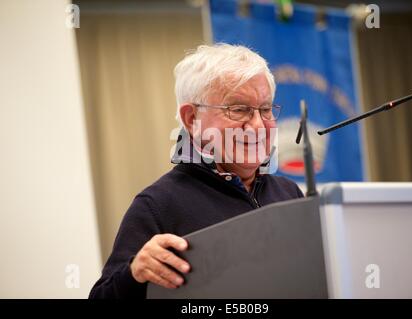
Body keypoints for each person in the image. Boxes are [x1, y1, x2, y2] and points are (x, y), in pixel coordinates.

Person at [89, 43, 303, 299]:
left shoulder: (290, 192)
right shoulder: (158, 205)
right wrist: (134, 274)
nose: (258, 125)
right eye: (239, 109)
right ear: (192, 119)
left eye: (265, 109)